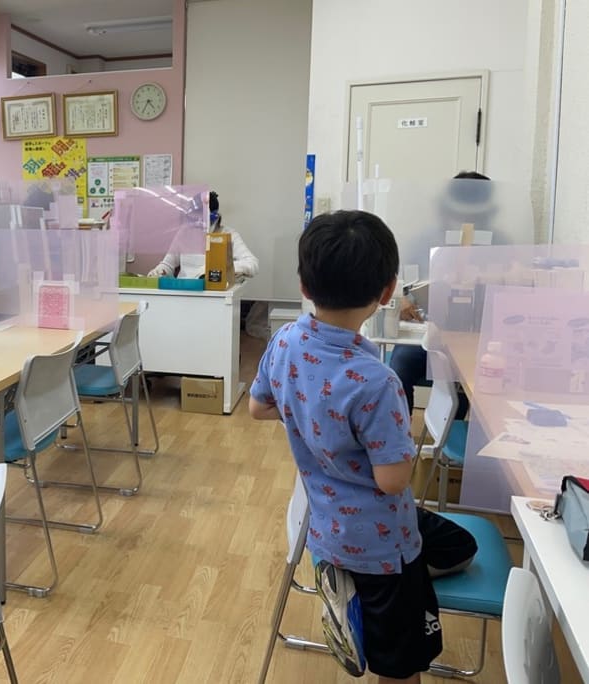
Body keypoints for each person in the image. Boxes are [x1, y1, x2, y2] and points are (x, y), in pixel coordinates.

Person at [249, 210, 474, 682]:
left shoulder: (285, 340)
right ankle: (370, 596)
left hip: (326, 524)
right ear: (387, 292)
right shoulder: (377, 382)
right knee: (400, 666)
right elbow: (392, 481)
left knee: (457, 544)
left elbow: (258, 407)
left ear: (304, 285)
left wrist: (314, 420)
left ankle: (346, 584)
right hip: (383, 542)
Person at [390, 171, 489, 413]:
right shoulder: (427, 239)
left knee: (472, 379)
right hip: (426, 333)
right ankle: (399, 431)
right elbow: (400, 281)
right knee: (400, 366)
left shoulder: (498, 242)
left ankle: (453, 430)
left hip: (476, 338)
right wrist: (402, 299)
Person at [147, 191, 259, 279]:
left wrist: (216, 268)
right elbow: (168, 265)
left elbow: (252, 263)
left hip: (214, 293)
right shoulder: (185, 233)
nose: (197, 224)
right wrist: (159, 271)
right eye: (194, 219)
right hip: (184, 291)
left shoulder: (228, 235)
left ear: (214, 218)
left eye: (202, 220)